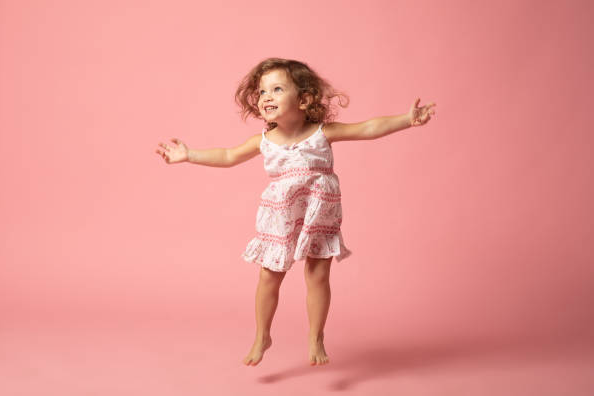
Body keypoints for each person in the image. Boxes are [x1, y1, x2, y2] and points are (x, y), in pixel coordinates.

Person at [155, 57, 436, 367]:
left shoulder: (321, 132)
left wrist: (406, 119)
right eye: (262, 92)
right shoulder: (263, 141)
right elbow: (228, 155)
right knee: (268, 276)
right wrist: (189, 154)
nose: (267, 97)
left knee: (317, 274)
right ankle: (263, 335)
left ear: (304, 99)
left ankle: (316, 336)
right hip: (281, 214)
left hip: (319, 211)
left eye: (277, 89)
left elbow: (367, 128)